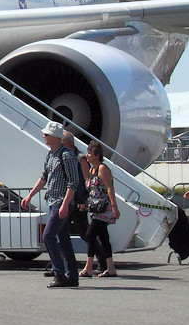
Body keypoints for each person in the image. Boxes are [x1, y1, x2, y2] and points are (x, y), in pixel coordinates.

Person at [21, 121, 80, 288]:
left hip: (61, 201)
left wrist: (65, 204)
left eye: (46, 134)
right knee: (63, 240)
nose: (44, 137)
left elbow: (73, 182)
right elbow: (44, 177)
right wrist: (30, 195)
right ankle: (71, 276)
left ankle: (59, 273)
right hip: (53, 201)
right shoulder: (51, 154)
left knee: (48, 235)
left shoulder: (66, 155)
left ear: (55, 137)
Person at [80, 140, 119, 278]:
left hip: (104, 210)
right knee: (103, 237)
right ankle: (110, 267)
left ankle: (88, 267)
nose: (87, 155)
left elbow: (109, 188)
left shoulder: (102, 169)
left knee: (90, 234)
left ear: (97, 155)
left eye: (90, 153)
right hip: (95, 209)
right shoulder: (92, 170)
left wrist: (114, 206)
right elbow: (91, 190)